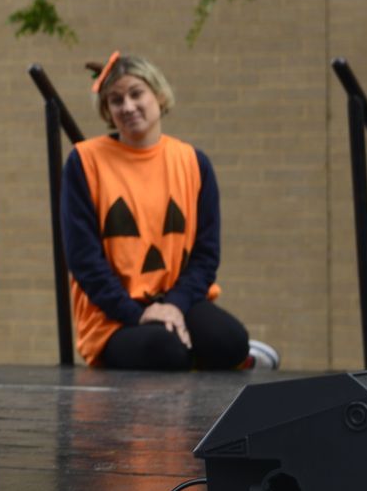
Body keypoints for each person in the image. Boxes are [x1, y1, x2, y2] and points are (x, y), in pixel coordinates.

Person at [60, 52, 278, 371]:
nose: (129, 106)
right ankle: (188, 356)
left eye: (137, 94)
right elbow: (83, 259)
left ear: (158, 95)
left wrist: (175, 305)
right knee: (167, 352)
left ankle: (230, 355)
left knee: (229, 341)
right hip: (113, 316)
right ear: (107, 110)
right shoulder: (84, 162)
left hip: (179, 300)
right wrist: (138, 313)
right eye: (116, 100)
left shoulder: (193, 163)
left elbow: (206, 255)